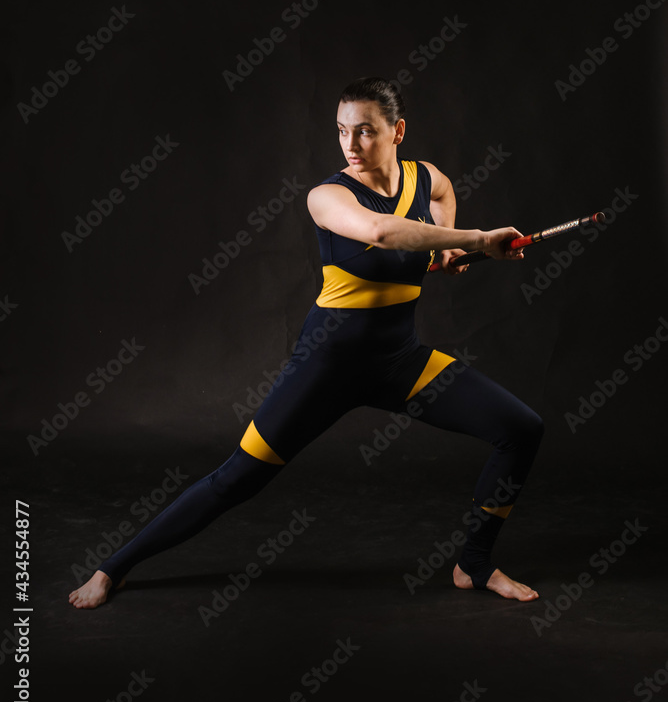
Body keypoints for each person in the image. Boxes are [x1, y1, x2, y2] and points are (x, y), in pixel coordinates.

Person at [69, 77, 544, 609]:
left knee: (521, 429)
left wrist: (444, 250)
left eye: (366, 131)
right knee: (236, 480)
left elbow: (443, 191)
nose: (351, 145)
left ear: (398, 131)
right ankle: (113, 568)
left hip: (400, 360)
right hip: (327, 366)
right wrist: (476, 241)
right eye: (343, 131)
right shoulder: (329, 196)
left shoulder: (422, 177)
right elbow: (382, 232)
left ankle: (473, 564)